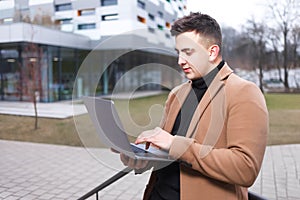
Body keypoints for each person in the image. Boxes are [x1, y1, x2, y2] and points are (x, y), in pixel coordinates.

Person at [119, 12, 268, 200]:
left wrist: (175, 144)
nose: (180, 61)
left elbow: (245, 168)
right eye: (178, 52)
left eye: (188, 52)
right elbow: (169, 155)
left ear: (212, 52)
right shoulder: (177, 94)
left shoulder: (244, 92)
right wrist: (143, 158)